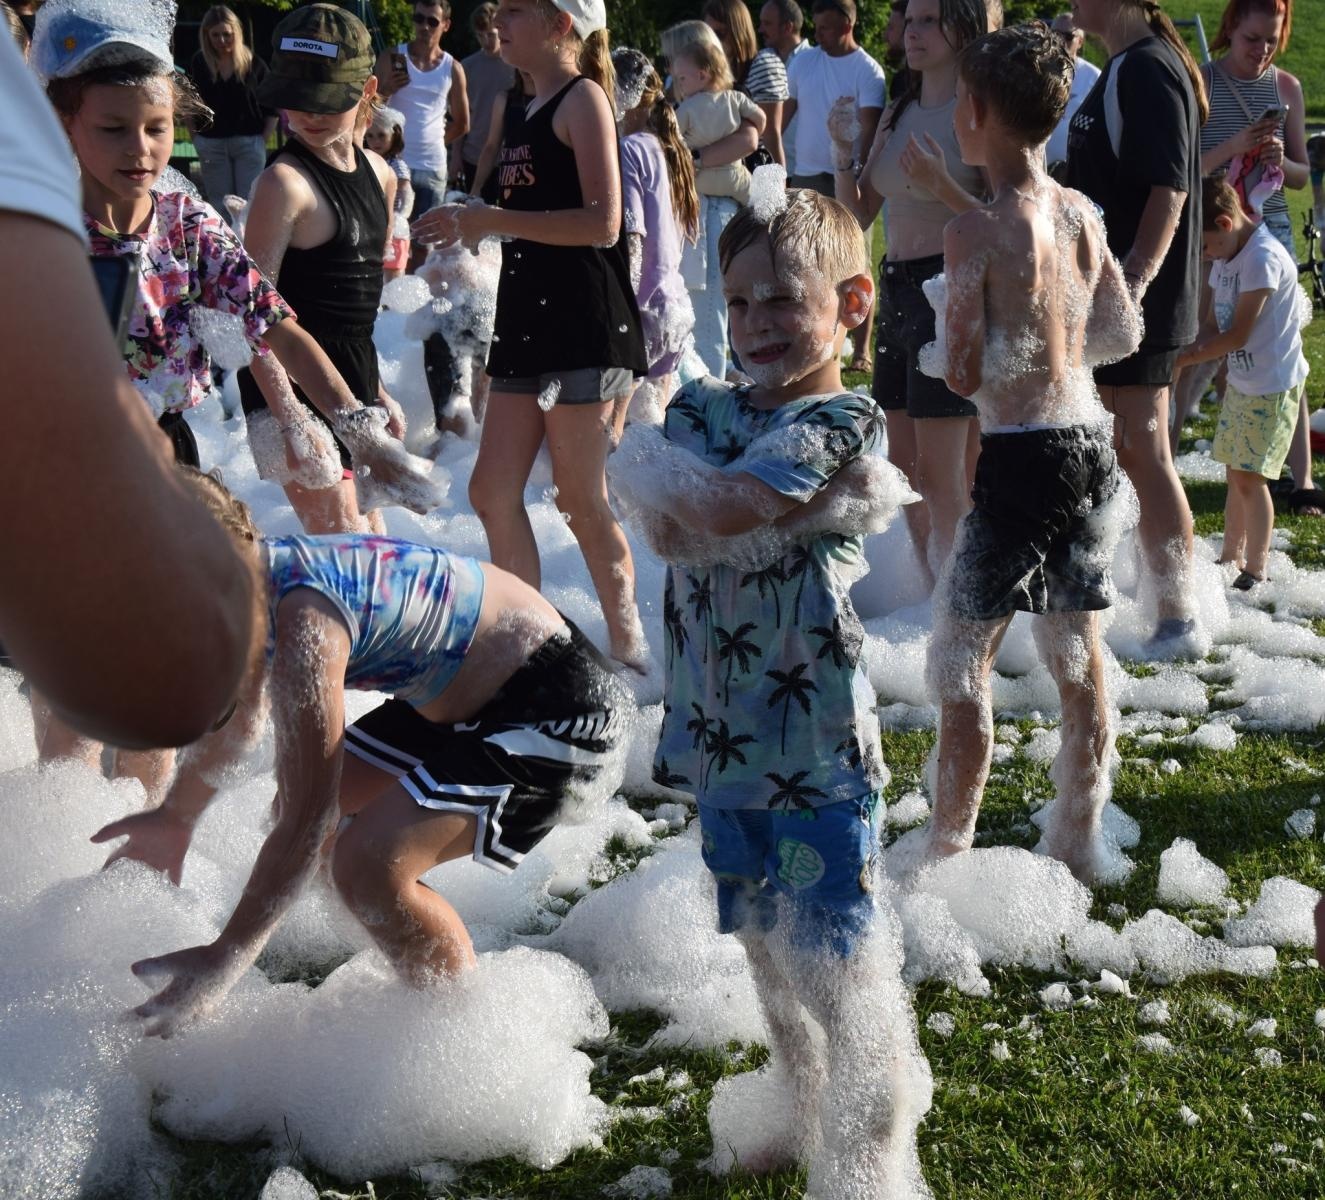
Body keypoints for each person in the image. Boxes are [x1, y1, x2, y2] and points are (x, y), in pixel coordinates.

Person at [608, 190, 933, 1197]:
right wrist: (690, 494)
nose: (751, 325)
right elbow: (659, 518)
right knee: (762, 946)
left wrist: (690, 492)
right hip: (717, 734)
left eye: (781, 303)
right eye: (737, 302)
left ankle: (869, 1160)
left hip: (812, 745)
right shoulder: (709, 406)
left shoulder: (839, 416)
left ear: (851, 304)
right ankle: (799, 1111)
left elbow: (712, 502)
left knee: (839, 961)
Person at [95, 468, 631, 1038]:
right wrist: (176, 817)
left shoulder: (305, 619)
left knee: (364, 863)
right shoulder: (253, 581)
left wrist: (225, 958)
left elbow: (311, 815)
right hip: (464, 690)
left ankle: (460, 1032)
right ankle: (402, 951)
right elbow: (244, 728)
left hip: (563, 707)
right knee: (305, 822)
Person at [921, 22, 1143, 884]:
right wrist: (1056, 347)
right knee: (1075, 651)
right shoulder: (1080, 211)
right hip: (1089, 440)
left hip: (1020, 453)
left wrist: (949, 332)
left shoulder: (974, 233)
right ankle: (1077, 837)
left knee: (958, 656)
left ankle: (945, 850)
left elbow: (965, 367)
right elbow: (1120, 332)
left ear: (972, 112)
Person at [0, 31, 255, 749]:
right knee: (58, 654)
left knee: (158, 641)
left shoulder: (184, 217)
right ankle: (63, 805)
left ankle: (145, 810)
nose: (140, 147)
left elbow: (264, 316)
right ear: (63, 126)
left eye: (156, 129)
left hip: (161, 449)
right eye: (113, 129)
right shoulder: (34, 223)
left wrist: (340, 416)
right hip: (50, 458)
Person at [412, 0, 651, 673]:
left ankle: (631, 650)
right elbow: (510, 215)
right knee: (490, 490)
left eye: (516, 9)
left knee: (579, 498)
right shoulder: (516, 107)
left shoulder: (584, 101)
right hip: (527, 318)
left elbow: (603, 224)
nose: (500, 21)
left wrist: (492, 220)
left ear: (560, 25)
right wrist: (469, 224)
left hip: (582, 319)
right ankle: (530, 651)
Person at [238, 4, 426, 538]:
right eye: (296, 101)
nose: (309, 115)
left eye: (325, 101)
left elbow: (358, 312)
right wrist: (292, 419)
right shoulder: (284, 185)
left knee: (377, 548)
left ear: (367, 91)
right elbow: (253, 319)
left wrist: (380, 390)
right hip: (289, 387)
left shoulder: (382, 176)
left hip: (354, 377)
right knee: (348, 552)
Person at [1064, 0, 1209, 660]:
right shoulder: (1125, 62)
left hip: (1134, 304)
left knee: (1142, 452)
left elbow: (1167, 189)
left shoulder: (1147, 67)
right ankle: (1155, 598)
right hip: (1117, 299)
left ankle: (1178, 614)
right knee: (1130, 450)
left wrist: (1130, 286)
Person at [831, 0, 988, 587]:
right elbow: (859, 213)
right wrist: (845, 150)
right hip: (896, 289)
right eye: (911, 20)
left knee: (951, 474)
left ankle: (963, 608)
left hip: (950, 292)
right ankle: (934, 592)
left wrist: (942, 184)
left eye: (928, 20)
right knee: (903, 467)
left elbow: (1009, 224)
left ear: (962, 27)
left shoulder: (975, 110)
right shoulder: (898, 108)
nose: (911, 32)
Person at [1186, 0, 1321, 517]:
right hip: (1215, 232)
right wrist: (1235, 145)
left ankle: (1301, 478)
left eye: (1271, 39)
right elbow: (1185, 166)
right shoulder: (1204, 81)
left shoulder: (1286, 87)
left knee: (1282, 351)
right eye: (1251, 39)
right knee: (1210, 342)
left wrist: (1277, 160)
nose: (1261, 50)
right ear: (1230, 30)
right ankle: (1199, 456)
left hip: (1271, 229)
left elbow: (1303, 174)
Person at [1176, 176, 1308, 589]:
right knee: (1235, 473)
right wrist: (1179, 351)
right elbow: (1213, 324)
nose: (1205, 256)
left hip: (1272, 385)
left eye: (1206, 245)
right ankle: (1230, 555)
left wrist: (1188, 357)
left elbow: (1237, 336)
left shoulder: (1262, 259)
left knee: (1253, 478)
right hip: (1244, 382)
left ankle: (1256, 565)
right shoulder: (1226, 259)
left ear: (1225, 223)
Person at [660, 20, 761, 382]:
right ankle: (707, 385)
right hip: (692, 208)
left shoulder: (724, 96)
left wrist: (693, 159)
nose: (669, 65)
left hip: (713, 209)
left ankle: (708, 396)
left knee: (708, 312)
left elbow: (749, 139)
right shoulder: (683, 94)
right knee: (692, 308)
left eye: (674, 56)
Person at [612, 47, 698, 425]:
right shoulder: (669, 147)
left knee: (611, 435)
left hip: (642, 312)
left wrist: (619, 313)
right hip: (674, 309)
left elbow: (633, 235)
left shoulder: (630, 149)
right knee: (653, 435)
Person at [373, 0, 469, 226]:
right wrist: (387, 90)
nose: (424, 26)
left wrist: (433, 142)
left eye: (432, 21)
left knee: (425, 243)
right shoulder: (391, 57)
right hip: (392, 162)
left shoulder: (452, 68)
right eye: (419, 19)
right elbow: (369, 111)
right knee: (387, 238)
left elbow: (463, 123)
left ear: (445, 25)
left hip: (432, 165)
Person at [782, 0, 886, 198]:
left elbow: (870, 131)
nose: (817, 34)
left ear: (847, 26)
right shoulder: (802, 62)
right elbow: (779, 121)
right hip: (804, 176)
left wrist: (859, 178)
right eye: (817, 27)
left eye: (825, 28)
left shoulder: (869, 71)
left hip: (845, 177)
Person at [187, 5, 276, 224]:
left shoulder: (253, 63)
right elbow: (189, 104)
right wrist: (194, 137)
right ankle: (222, 252)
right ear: (206, 35)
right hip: (211, 143)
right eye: (215, 35)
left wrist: (261, 140)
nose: (222, 40)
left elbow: (271, 107)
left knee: (248, 203)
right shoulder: (199, 64)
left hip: (248, 143)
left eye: (227, 34)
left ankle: (248, 252)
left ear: (236, 32)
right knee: (219, 205)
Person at [673, 36, 766, 206]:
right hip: (734, 175)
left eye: (682, 78)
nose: (679, 84)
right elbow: (760, 117)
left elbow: (672, 139)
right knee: (760, 205)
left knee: (691, 210)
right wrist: (758, 128)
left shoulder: (687, 108)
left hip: (699, 178)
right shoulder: (736, 98)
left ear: (702, 76)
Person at [703, 0, 788, 169]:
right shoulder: (713, 71)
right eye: (707, 34)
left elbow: (771, 134)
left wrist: (779, 189)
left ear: (738, 32)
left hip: (755, 174)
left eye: (719, 34)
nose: (712, 42)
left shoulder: (763, 65)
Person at [453, 1, 514, 194]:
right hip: (473, 155)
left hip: (509, 158)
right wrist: (455, 157)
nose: (485, 41)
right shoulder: (467, 66)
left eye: (490, 35)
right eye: (480, 35)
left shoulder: (516, 65)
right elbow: (460, 115)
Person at [1045, 12, 1100, 175]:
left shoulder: (1094, 77)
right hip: (1040, 169)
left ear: (1080, 42)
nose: (1060, 41)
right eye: (1055, 35)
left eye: (1068, 36)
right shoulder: (1035, 71)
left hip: (1076, 170)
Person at [758, 0, 808, 175]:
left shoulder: (814, 64)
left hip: (805, 174)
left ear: (787, 27)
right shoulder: (761, 62)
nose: (760, 30)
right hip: (766, 169)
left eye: (767, 24)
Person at [365, 105, 413, 279]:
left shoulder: (396, 165)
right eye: (370, 136)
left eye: (381, 135)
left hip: (395, 226)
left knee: (394, 273)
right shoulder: (371, 161)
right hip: (377, 224)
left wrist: (401, 216)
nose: (375, 141)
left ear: (395, 135)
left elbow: (407, 193)